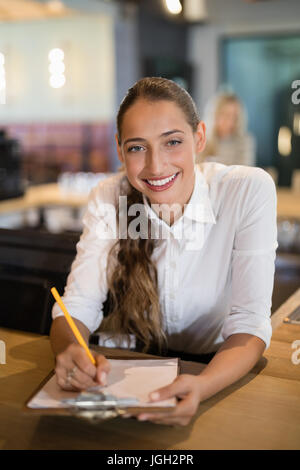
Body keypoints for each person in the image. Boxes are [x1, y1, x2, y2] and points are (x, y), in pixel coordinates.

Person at [50, 77, 278, 426]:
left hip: (218, 371)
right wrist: (68, 350)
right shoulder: (109, 197)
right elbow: (77, 305)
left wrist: (202, 386)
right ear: (119, 148)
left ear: (199, 138)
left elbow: (250, 322)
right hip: (129, 373)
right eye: (137, 147)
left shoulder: (247, 190)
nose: (156, 166)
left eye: (172, 142)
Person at [198, 92, 256, 167]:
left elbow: (245, 170)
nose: (230, 121)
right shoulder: (203, 139)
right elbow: (197, 168)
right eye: (225, 115)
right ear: (214, 115)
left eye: (234, 116)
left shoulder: (245, 141)